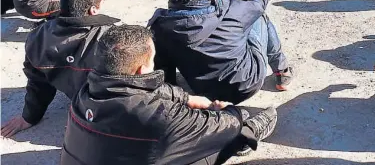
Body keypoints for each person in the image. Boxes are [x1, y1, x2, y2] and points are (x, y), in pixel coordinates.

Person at [61, 24, 278, 165]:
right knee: (214, 139)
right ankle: (248, 136)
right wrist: (232, 112)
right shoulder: (162, 116)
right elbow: (222, 126)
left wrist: (187, 99)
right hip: (163, 139)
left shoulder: (85, 92)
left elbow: (143, 89)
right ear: (141, 70)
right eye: (152, 60)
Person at [1, 0, 119, 138]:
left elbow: (38, 81)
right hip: (100, 111)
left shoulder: (38, 36)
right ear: (93, 10)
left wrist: (30, 116)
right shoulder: (112, 38)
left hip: (74, 95)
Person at [148, 0, 293, 104]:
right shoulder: (232, 11)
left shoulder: (161, 26)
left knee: (164, 47)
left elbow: (161, 63)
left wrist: (173, 91)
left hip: (204, 92)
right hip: (247, 85)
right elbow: (259, 3)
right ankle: (282, 72)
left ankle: (173, 87)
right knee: (259, 17)